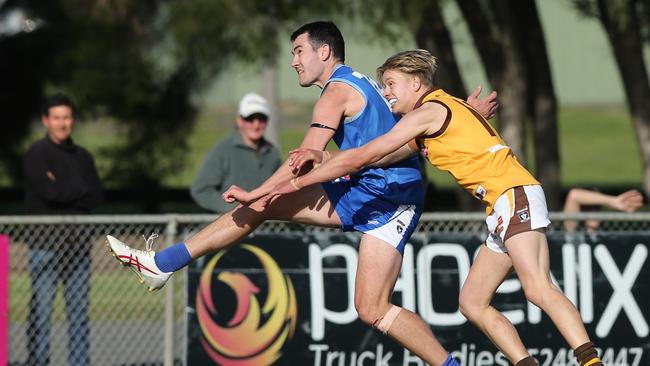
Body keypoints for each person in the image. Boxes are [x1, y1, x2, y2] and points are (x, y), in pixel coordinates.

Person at [106, 22, 495, 366]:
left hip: (387, 199)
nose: (294, 60)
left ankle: (161, 264)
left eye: (299, 51)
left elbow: (298, 163)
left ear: (324, 52)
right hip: (374, 190)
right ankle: (162, 264)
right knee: (370, 308)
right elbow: (402, 123)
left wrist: (259, 191)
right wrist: (465, 111)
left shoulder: (336, 92)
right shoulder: (364, 83)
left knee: (269, 212)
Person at [264, 49, 606, 366]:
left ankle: (590, 361)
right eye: (384, 86)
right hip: (501, 204)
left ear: (416, 83)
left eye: (391, 84)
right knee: (472, 302)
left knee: (537, 287)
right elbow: (374, 158)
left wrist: (295, 183)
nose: (386, 93)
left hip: (513, 193)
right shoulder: (437, 112)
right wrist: (323, 156)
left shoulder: (427, 112)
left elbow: (367, 153)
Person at [23, 93, 103, 366]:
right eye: (56, 117)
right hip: (45, 248)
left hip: (78, 248)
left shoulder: (83, 157)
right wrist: (75, 190)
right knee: (41, 316)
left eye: (66, 117)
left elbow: (95, 195)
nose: (62, 123)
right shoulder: (36, 154)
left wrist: (63, 189)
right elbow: (46, 192)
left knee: (79, 316)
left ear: (73, 121)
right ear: (47, 120)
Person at [190, 92, 282, 213]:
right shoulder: (223, 150)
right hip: (231, 226)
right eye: (250, 119)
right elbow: (201, 190)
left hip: (266, 225)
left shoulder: (272, 152)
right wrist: (234, 210)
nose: (256, 124)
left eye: (261, 119)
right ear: (239, 120)